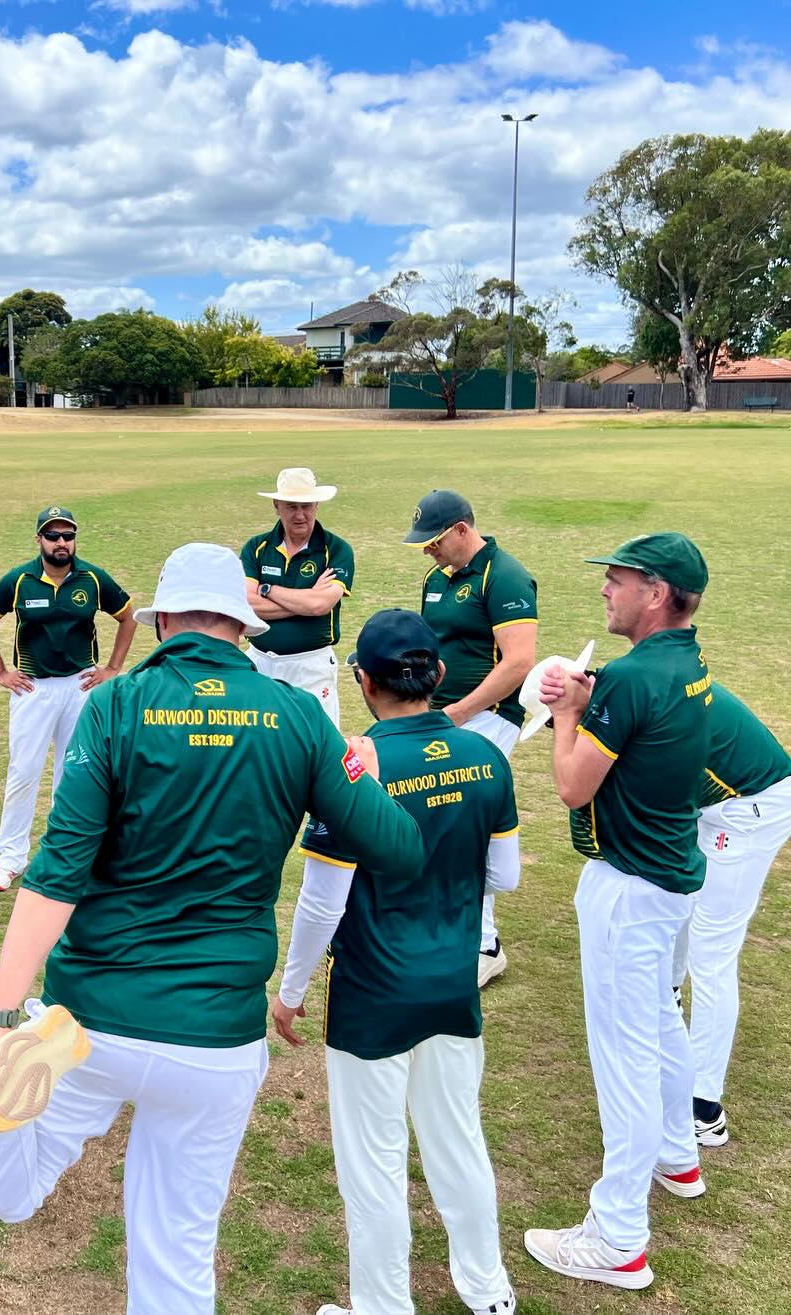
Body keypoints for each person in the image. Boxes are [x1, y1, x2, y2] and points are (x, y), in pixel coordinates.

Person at [0, 543, 424, 1315]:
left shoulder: (117, 705)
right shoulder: (297, 713)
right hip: (216, 1038)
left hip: (91, 1023)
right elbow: (400, 848)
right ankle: (0, 1132)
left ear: (164, 620)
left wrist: (2, 1013)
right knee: (176, 1257)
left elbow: (58, 871)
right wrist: (361, 763)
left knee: (5, 1190)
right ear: (242, 624)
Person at [272, 609, 520, 1315]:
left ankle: (383, 1305)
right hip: (452, 983)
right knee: (457, 1139)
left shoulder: (354, 764)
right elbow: (503, 877)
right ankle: (488, 1288)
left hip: (374, 994)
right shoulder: (487, 756)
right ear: (438, 675)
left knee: (373, 1164)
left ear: (361, 680)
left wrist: (289, 992)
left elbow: (322, 903)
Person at [524, 533, 711, 1293]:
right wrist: (596, 691)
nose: (606, 591)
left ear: (657, 593)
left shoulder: (635, 678)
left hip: (632, 887)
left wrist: (569, 711)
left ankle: (619, 1237)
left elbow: (573, 786)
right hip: (668, 879)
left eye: (618, 580)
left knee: (624, 1054)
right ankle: (679, 1154)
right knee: (660, 1023)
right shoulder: (685, 660)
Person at [403, 489, 537, 989]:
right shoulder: (436, 578)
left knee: (468, 826)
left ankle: (485, 944)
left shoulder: (504, 575)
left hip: (489, 718)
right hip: (441, 718)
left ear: (462, 529)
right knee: (435, 819)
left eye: (434, 541)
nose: (428, 551)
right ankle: (450, 927)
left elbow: (519, 661)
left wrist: (458, 713)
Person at [0, 505, 136, 892]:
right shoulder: (20, 579)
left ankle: (64, 854)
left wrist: (111, 668)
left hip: (80, 687)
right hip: (32, 688)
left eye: (68, 536)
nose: (61, 542)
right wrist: (0, 672)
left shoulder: (93, 579)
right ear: (39, 540)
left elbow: (128, 616)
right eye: (53, 536)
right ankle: (10, 860)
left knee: (75, 772)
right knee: (24, 772)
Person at [672, 682, 791, 1147]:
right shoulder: (624, 689)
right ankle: (669, 1004)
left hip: (751, 808)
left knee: (713, 956)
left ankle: (704, 1105)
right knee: (679, 900)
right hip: (721, 801)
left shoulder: (625, 709)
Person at [242, 467, 354, 727]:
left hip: (311, 666)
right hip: (260, 662)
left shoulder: (336, 549)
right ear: (276, 506)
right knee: (262, 745)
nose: (300, 515)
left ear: (316, 505)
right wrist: (306, 600)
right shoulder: (256, 548)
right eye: (291, 506)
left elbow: (321, 605)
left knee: (318, 744)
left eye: (307, 506)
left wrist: (268, 590)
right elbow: (247, 603)